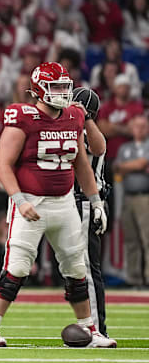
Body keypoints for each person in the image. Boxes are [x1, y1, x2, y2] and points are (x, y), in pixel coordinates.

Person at [0, 62, 116, 348]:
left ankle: (88, 329)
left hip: (64, 201)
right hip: (30, 200)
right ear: (39, 89)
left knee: (76, 267)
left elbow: (81, 163)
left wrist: (96, 201)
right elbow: (3, 165)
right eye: (55, 87)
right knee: (17, 266)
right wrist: (18, 199)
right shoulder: (23, 116)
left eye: (65, 87)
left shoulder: (74, 116)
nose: (62, 93)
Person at [72, 87, 110, 337]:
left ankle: (97, 329)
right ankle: (88, 323)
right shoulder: (66, 128)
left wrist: (85, 118)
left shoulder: (87, 132)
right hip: (64, 202)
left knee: (86, 267)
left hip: (85, 201)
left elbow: (99, 148)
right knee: (74, 268)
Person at [114, 115, 149, 289]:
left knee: (147, 238)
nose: (140, 130)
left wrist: (128, 166)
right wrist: (138, 166)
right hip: (128, 196)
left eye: (143, 126)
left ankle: (148, 278)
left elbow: (143, 163)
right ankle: (134, 278)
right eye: (136, 126)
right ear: (131, 128)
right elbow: (117, 168)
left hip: (145, 196)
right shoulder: (124, 148)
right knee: (131, 239)